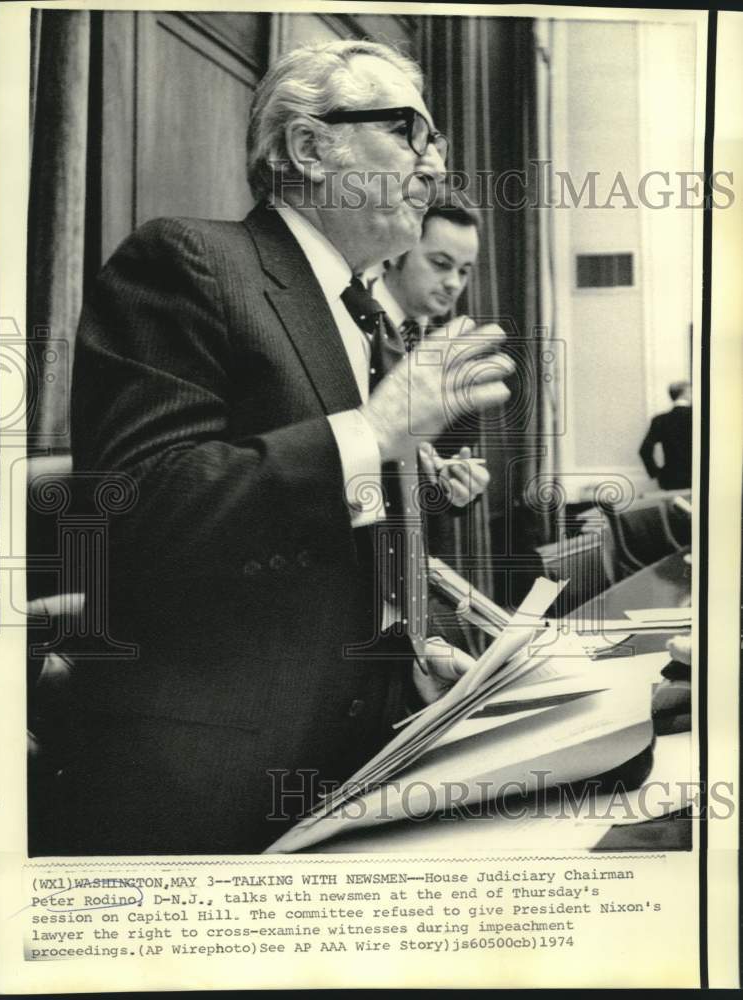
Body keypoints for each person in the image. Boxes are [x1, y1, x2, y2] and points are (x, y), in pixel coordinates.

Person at [64, 39, 514, 854]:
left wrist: (407, 654)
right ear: (311, 147)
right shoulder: (190, 261)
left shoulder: (365, 316)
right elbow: (138, 507)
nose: (434, 166)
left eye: (438, 143)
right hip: (207, 786)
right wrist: (372, 432)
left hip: (361, 755)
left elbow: (334, 554)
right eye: (411, 132)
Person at [370, 192, 488, 506]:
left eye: (463, 271)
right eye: (440, 264)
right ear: (397, 251)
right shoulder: (344, 320)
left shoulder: (456, 355)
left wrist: (460, 490)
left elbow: (447, 468)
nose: (453, 283)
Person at [639, 381, 692, 490]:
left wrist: (657, 474)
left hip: (671, 479)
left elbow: (644, 450)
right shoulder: (701, 417)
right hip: (699, 477)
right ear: (686, 393)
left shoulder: (660, 420)